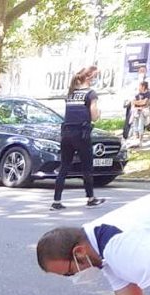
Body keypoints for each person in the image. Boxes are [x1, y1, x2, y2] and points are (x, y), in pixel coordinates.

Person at [51, 67, 105, 212]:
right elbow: (93, 116)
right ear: (89, 78)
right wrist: (98, 113)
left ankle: (56, 201)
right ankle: (91, 198)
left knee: (64, 167)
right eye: (94, 77)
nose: (95, 80)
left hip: (67, 133)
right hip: (81, 133)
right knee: (87, 167)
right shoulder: (90, 94)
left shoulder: (71, 94)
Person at [130, 81, 150, 145]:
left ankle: (140, 138)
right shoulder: (137, 94)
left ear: (143, 87)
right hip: (136, 110)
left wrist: (138, 102)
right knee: (135, 124)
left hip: (143, 112)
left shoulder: (147, 94)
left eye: (140, 86)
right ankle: (135, 137)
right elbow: (132, 102)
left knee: (141, 124)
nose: (138, 87)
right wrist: (138, 103)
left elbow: (144, 102)